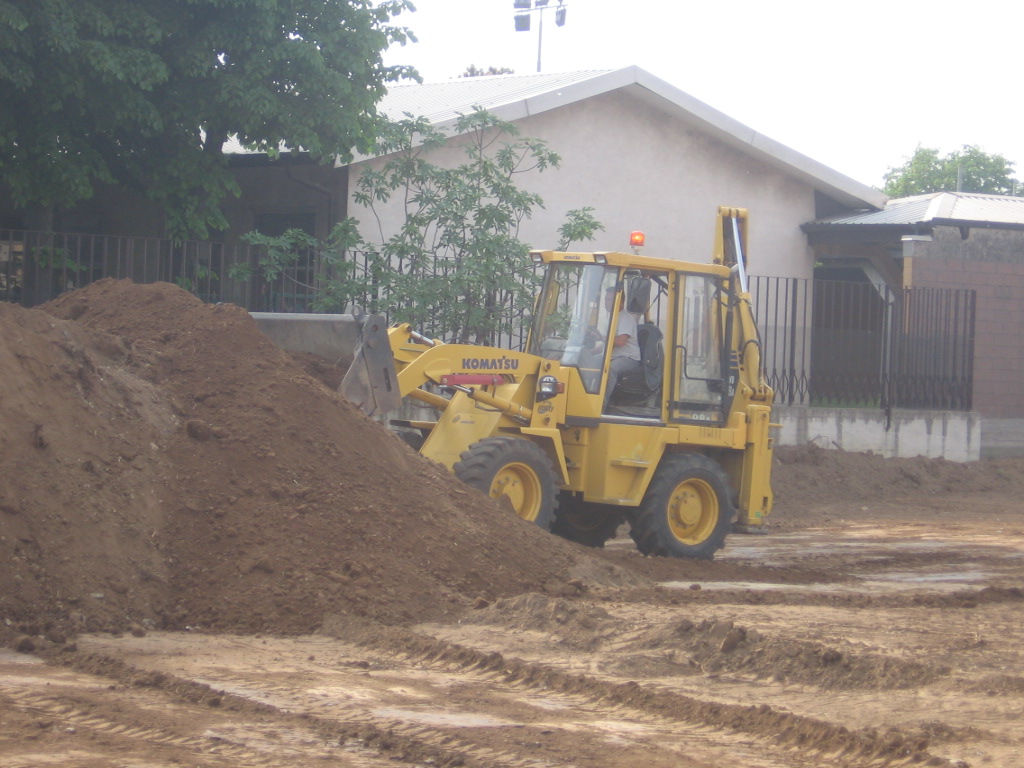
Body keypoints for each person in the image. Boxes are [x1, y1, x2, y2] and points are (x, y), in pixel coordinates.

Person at [603, 287, 641, 410]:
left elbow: (620, 341)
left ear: (621, 301)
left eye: (610, 299)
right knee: (591, 363)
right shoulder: (610, 318)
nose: (606, 302)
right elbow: (606, 344)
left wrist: (601, 337)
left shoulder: (626, 318)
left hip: (628, 358)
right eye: (606, 299)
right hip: (613, 356)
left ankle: (601, 405)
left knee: (610, 369)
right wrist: (590, 353)